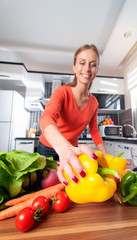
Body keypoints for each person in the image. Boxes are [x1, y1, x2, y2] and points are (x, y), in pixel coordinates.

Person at [37, 44, 108, 187]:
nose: (87, 68)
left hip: (72, 148)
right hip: (48, 148)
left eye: (92, 65)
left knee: (70, 188)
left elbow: (94, 131)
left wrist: (106, 156)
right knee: (47, 189)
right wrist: (63, 148)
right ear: (74, 67)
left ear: (97, 70)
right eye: (82, 63)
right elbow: (46, 118)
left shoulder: (94, 103)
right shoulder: (62, 92)